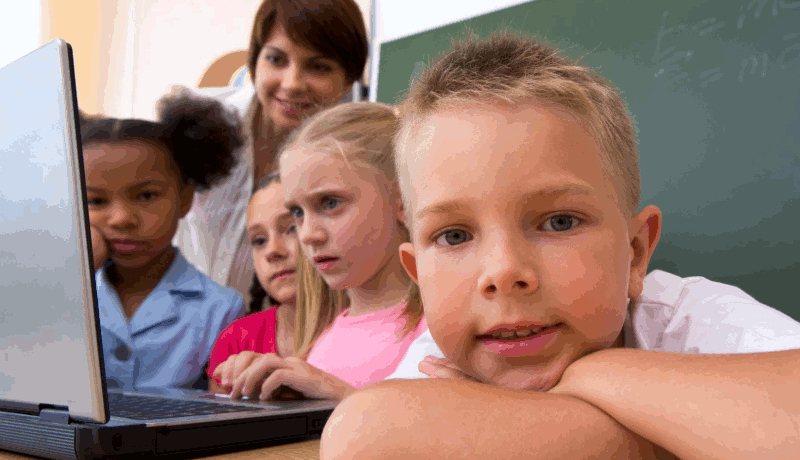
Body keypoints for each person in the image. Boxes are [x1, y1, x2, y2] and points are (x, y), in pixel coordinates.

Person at [319, 33, 800, 459]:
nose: (503, 271)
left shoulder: (688, 319)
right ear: (418, 274)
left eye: (559, 221)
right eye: (455, 236)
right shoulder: (440, 354)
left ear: (635, 254)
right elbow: (365, 434)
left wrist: (598, 373)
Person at [217, 102, 441, 402]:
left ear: (402, 199)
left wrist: (339, 395)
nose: (308, 234)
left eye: (330, 203)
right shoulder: (321, 335)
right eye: (298, 212)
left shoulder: (440, 330)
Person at [173, 0, 368, 308]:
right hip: (179, 324)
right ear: (255, 62)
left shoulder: (350, 161)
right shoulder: (196, 122)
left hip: (267, 337)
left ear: (348, 79)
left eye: (318, 67)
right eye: (276, 59)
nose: (291, 84)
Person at [82, 96, 247, 391]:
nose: (121, 219)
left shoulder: (221, 310)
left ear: (184, 200)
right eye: (96, 200)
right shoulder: (58, 297)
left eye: (146, 196)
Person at [206, 172, 300, 393]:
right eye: (259, 240)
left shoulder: (364, 330)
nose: (272, 251)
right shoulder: (236, 340)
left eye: (292, 228)